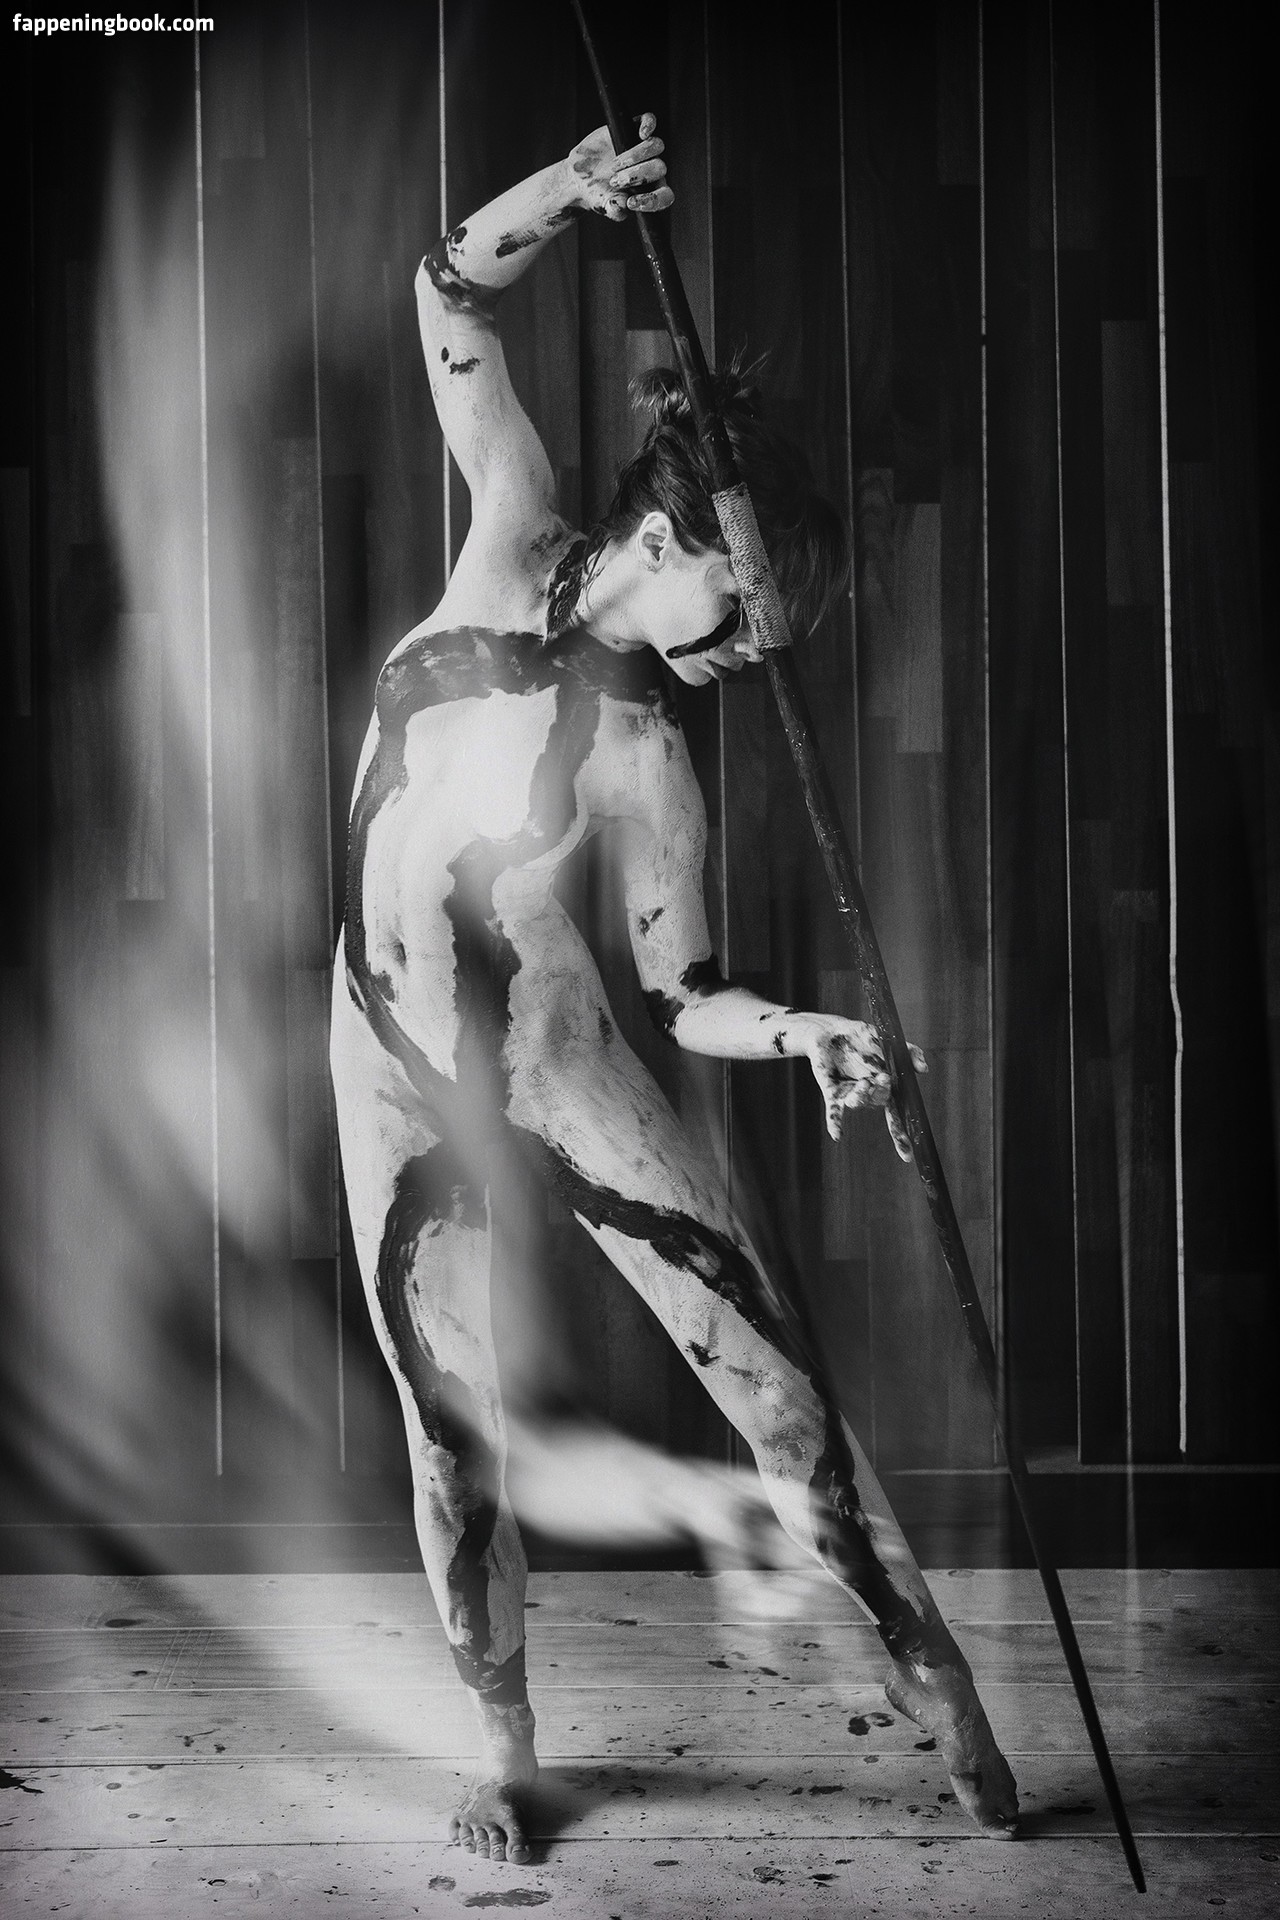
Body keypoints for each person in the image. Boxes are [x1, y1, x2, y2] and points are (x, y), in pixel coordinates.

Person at [330, 114, 1018, 1865]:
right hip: (386, 1062)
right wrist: (567, 194)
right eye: (749, 598)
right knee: (448, 1434)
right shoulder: (510, 524)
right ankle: (506, 1752)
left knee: (766, 1374)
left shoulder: (651, 756)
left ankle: (938, 1681)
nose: (759, 643)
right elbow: (445, 290)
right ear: (672, 530)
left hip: (553, 1053)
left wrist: (804, 1032)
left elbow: (684, 987)